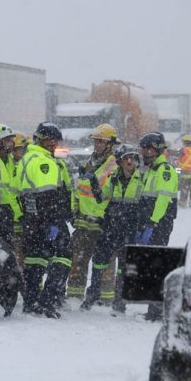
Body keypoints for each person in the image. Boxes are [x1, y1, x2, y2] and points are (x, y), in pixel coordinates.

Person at [13, 122, 72, 318]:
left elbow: (20, 193)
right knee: (63, 256)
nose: (54, 145)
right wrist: (53, 223)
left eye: (55, 141)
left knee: (35, 260)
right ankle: (48, 300)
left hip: (32, 219)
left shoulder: (26, 159)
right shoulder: (44, 162)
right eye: (51, 141)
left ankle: (31, 301)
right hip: (47, 219)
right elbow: (48, 196)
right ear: (41, 140)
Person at [80, 144, 143, 314]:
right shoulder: (113, 178)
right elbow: (101, 198)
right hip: (111, 225)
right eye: (126, 158)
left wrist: (142, 226)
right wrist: (93, 181)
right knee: (99, 260)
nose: (130, 161)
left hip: (129, 227)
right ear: (120, 162)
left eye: (133, 158)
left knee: (124, 264)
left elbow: (145, 205)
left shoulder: (142, 178)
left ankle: (120, 301)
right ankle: (92, 295)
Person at [68, 124, 119, 304]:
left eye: (101, 141)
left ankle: (105, 299)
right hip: (83, 222)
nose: (97, 144)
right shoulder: (87, 164)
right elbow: (78, 190)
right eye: (96, 141)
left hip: (103, 223)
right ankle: (74, 296)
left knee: (105, 264)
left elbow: (112, 195)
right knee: (77, 261)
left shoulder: (114, 166)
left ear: (110, 144)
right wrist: (74, 211)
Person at [136, 131, 179, 321]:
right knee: (150, 265)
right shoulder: (151, 170)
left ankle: (156, 311)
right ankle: (153, 309)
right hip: (150, 223)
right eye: (144, 149)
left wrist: (152, 222)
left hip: (158, 224)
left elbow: (162, 200)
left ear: (159, 150)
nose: (145, 152)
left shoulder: (165, 170)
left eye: (150, 149)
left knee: (156, 265)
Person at [11, 133, 31, 269]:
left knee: (31, 256)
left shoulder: (28, 165)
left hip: (28, 220)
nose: (22, 152)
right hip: (15, 220)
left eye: (24, 149)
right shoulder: (9, 167)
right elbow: (12, 194)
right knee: (18, 256)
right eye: (19, 149)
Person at [176, 134, 191, 207]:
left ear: (185, 142)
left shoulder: (183, 150)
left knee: (184, 189)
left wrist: (177, 174)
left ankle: (183, 202)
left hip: (184, 173)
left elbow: (178, 163)